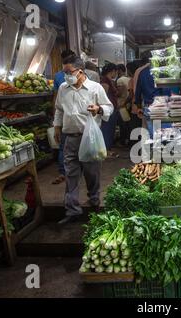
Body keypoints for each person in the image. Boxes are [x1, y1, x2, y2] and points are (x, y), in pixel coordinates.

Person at [53, 56, 114, 224]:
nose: (65, 76)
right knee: (71, 174)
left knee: (92, 172)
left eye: (68, 72)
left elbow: (109, 107)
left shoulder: (95, 88)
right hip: (70, 138)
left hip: (90, 138)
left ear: (80, 71)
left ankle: (94, 200)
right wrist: (57, 127)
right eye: (63, 72)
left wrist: (99, 108)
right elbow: (58, 109)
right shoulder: (63, 88)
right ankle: (72, 210)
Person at [52, 49, 76, 185]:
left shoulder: (58, 76)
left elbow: (55, 100)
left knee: (63, 146)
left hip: (67, 119)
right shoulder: (63, 82)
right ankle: (67, 172)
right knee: (66, 146)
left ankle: (63, 172)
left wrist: (55, 120)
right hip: (70, 119)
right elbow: (58, 103)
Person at [134, 51, 171, 137]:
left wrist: (139, 106)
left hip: (149, 107)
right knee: (166, 134)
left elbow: (138, 92)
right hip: (163, 106)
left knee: (154, 135)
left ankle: (156, 149)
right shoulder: (162, 71)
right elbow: (167, 90)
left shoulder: (142, 73)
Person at [100, 63, 120, 158]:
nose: (116, 74)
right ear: (112, 71)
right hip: (108, 110)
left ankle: (108, 149)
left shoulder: (109, 80)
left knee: (110, 130)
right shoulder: (105, 80)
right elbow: (103, 96)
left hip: (112, 109)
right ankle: (106, 151)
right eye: (115, 71)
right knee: (107, 130)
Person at [116, 64, 131, 146]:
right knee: (127, 124)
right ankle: (128, 140)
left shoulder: (120, 80)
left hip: (121, 104)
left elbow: (120, 93)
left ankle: (123, 142)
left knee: (122, 125)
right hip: (128, 104)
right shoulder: (129, 79)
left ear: (119, 70)